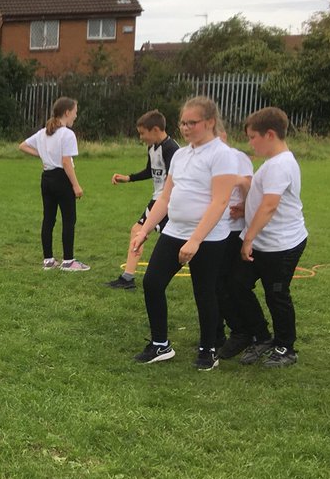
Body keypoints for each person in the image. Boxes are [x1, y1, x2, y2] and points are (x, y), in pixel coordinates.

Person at [129, 96, 240, 370]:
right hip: (174, 231)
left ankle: (208, 349)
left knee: (204, 292)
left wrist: (196, 239)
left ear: (210, 122)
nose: (186, 127)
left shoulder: (222, 155)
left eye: (192, 122)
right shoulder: (180, 154)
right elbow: (165, 198)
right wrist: (144, 230)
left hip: (209, 237)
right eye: (183, 122)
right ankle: (160, 344)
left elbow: (220, 201)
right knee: (152, 282)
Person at [226, 106, 308, 368]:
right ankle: (261, 334)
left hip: (281, 246)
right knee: (237, 283)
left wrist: (248, 238)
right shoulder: (274, 163)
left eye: (252, 137)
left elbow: (270, 206)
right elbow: (263, 198)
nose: (250, 142)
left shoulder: (280, 165)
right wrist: (245, 207)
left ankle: (286, 347)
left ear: (269, 134)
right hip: (264, 243)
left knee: (277, 294)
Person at [105, 110, 179, 289]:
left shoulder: (172, 149)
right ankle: (128, 278)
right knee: (144, 233)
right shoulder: (152, 147)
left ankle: (128, 278)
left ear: (155, 130)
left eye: (142, 133)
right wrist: (128, 178)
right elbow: (150, 171)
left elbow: (176, 178)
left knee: (140, 232)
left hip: (166, 201)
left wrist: (169, 201)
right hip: (159, 199)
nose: (141, 137)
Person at [19, 97, 88, 271]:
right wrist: (76, 185)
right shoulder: (67, 134)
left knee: (48, 219)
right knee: (69, 219)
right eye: (75, 112)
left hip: (47, 179)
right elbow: (66, 162)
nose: (76, 116)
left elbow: (23, 146)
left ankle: (48, 260)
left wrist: (43, 155)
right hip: (62, 179)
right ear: (67, 112)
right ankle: (68, 261)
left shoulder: (43, 132)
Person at [213, 123, 255, 355]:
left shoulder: (238, 158)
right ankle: (215, 331)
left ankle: (240, 331)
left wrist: (239, 185)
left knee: (224, 281)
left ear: (224, 135)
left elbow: (250, 187)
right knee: (212, 282)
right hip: (210, 228)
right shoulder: (201, 157)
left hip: (231, 229)